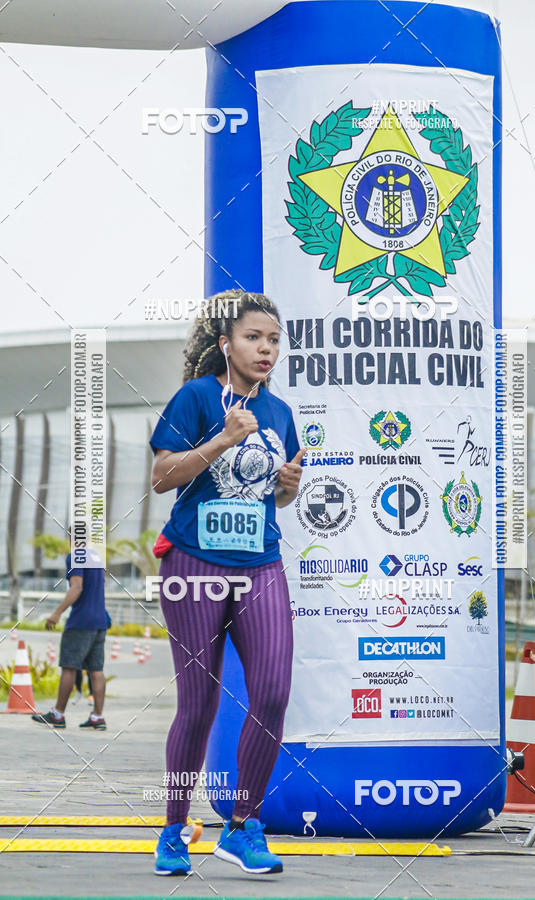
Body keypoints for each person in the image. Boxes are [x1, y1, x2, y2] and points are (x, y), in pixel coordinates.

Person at [150, 290, 305, 877]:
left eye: (273, 340)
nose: (265, 349)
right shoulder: (194, 398)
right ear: (225, 344)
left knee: (271, 693)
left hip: (260, 564)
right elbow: (163, 476)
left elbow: (280, 497)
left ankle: (243, 828)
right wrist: (223, 439)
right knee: (199, 704)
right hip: (194, 564)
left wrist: (288, 483)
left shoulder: (281, 413)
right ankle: (172, 830)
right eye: (253, 338)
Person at [32, 545, 109, 730]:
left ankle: (58, 714)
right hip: (100, 620)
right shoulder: (97, 558)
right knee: (96, 670)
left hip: (81, 621)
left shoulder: (76, 556)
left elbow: (77, 587)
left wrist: (57, 613)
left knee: (69, 667)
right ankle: (97, 717)